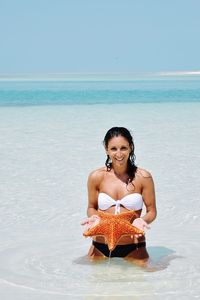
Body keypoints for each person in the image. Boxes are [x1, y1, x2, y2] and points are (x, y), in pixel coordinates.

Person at [81, 127, 157, 262]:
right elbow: (91, 207)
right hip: (100, 245)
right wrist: (94, 217)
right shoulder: (96, 177)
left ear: (131, 148)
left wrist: (142, 220)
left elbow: (152, 211)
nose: (119, 154)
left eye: (123, 148)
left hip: (134, 246)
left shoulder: (143, 177)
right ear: (106, 149)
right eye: (113, 149)